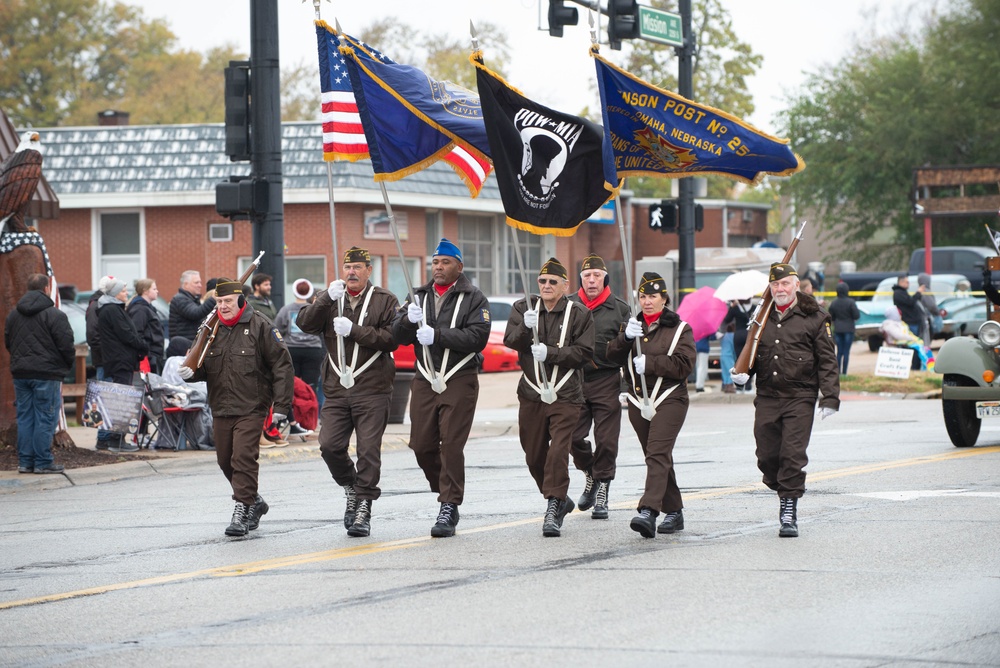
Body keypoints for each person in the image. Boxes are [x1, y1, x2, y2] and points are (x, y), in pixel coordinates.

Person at [730, 263, 840, 538]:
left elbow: (827, 360)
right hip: (767, 395)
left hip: (800, 396)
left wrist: (830, 397)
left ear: (795, 285)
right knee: (767, 457)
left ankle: (788, 507)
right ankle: (781, 485)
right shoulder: (762, 315)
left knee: (792, 455)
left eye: (785, 284)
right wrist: (741, 374)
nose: (780, 289)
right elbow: (752, 352)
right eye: (775, 285)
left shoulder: (815, 316)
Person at [296, 247, 399, 538]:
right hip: (337, 388)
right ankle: (351, 487)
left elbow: (392, 339)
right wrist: (326, 298)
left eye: (357, 267)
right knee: (329, 445)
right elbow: (304, 323)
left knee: (368, 450)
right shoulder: (331, 297)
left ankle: (364, 506)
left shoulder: (384, 299)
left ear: (369, 270)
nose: (351, 272)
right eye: (347, 267)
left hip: (372, 387)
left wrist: (354, 330)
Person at [178, 279, 294, 537]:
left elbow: (282, 366)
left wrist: (281, 406)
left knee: (243, 457)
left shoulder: (261, 325)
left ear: (241, 300)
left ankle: (241, 509)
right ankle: (254, 500)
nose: (223, 306)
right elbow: (204, 367)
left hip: (252, 404)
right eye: (219, 302)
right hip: (220, 404)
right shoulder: (211, 329)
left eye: (228, 301)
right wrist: (191, 373)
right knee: (224, 460)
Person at [392, 238, 491, 538]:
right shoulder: (417, 295)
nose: (438, 267)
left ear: (458, 267)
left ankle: (448, 503)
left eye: (444, 262)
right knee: (421, 444)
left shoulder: (474, 297)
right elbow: (397, 336)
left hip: (459, 377)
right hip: (425, 377)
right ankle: (445, 486)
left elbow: (478, 337)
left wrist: (438, 335)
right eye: (435, 262)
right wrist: (407, 321)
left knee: (450, 444)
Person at [504, 258, 595, 538]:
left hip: (566, 394)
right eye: (542, 281)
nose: (546, 286)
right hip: (531, 392)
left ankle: (554, 506)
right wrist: (523, 328)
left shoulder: (579, 313)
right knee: (533, 455)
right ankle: (558, 496)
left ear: (565, 286)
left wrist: (551, 353)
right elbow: (510, 341)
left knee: (558, 452)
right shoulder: (524, 308)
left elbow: (585, 353)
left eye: (552, 282)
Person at [607, 272, 695, 538]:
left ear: (664, 298)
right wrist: (624, 339)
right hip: (638, 401)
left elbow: (684, 366)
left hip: (670, 398)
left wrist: (652, 364)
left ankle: (648, 511)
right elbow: (611, 356)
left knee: (657, 453)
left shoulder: (680, 328)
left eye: (652, 296)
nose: (647, 302)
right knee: (657, 456)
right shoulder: (631, 326)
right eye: (642, 296)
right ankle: (675, 511)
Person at [567, 253, 631, 519]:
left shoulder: (620, 308)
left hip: (606, 379)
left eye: (596, 276)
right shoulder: (568, 304)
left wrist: (627, 385)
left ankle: (603, 487)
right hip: (575, 381)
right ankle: (590, 473)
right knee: (572, 436)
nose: (591, 280)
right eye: (586, 276)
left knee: (606, 440)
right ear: (580, 279)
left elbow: (629, 349)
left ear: (604, 278)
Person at [5, 273, 75, 474]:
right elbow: (66, 345)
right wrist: (64, 366)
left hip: (21, 373)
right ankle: (43, 461)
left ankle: (26, 461)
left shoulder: (13, 315)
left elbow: (9, 342)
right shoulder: (55, 315)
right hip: (47, 373)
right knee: (45, 417)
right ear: (46, 289)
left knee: (26, 417)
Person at [97, 277, 148, 452]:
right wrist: (142, 345)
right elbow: (126, 333)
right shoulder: (111, 310)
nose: (127, 294)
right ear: (114, 293)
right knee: (122, 400)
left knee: (119, 399)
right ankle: (116, 440)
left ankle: (111, 439)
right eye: (124, 291)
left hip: (120, 359)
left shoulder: (112, 309)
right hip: (120, 360)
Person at [273, 278, 326, 418]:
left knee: (292, 386)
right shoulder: (314, 309)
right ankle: (309, 419)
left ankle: (294, 418)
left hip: (292, 350)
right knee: (310, 387)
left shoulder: (286, 310)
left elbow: (277, 329)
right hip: (313, 351)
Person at [86, 275, 116, 448]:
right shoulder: (96, 305)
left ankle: (106, 437)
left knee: (107, 397)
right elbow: (93, 335)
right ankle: (103, 438)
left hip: (107, 359)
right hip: (104, 360)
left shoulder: (99, 304)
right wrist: (108, 353)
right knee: (104, 398)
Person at [128, 278, 165, 375]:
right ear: (145, 291)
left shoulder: (148, 308)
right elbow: (137, 333)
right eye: (154, 289)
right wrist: (146, 352)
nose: (157, 291)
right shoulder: (140, 309)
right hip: (149, 356)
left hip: (154, 354)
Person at [880, 306, 934, 371]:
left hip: (904, 342)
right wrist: (911, 338)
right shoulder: (889, 325)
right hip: (897, 344)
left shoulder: (899, 323)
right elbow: (898, 335)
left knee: (923, 348)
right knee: (917, 350)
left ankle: (926, 367)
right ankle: (916, 368)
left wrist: (913, 339)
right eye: (898, 313)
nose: (900, 314)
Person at [169, 270, 216, 341]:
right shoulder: (179, 299)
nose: (200, 285)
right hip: (183, 346)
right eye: (196, 282)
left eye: (200, 282)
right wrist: (213, 299)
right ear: (185, 284)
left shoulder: (192, 299)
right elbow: (195, 313)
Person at [828, 282, 861, 375]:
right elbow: (856, 315)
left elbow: (831, 317)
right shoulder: (851, 302)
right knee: (846, 352)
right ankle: (844, 373)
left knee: (839, 352)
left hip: (838, 329)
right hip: (849, 329)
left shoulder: (834, 302)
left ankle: (837, 373)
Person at [722, 299, 753, 393]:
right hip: (750, 335)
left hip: (738, 335)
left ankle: (739, 386)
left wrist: (731, 307)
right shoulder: (755, 308)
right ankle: (748, 386)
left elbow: (726, 320)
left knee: (739, 360)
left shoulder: (735, 308)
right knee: (750, 361)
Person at [892, 274, 925, 340]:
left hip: (914, 321)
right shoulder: (898, 293)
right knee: (912, 342)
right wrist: (918, 293)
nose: (908, 284)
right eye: (907, 282)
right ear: (901, 282)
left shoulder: (903, 292)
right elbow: (910, 302)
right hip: (909, 322)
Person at [917, 273, 941, 347]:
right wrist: (937, 312)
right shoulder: (926, 291)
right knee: (926, 338)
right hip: (927, 319)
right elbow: (931, 305)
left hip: (922, 319)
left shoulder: (920, 291)